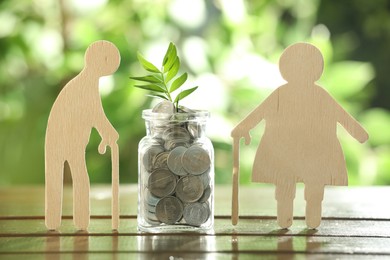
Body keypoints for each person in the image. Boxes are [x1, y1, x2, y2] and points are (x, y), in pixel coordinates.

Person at [231, 43, 368, 229]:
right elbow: (259, 112)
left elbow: (342, 116)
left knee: (312, 188)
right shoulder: (283, 94)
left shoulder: (319, 95)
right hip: (286, 151)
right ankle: (287, 218)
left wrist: (359, 133)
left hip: (312, 152)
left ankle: (310, 218)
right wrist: (242, 128)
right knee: (287, 186)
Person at [45, 41, 120, 230]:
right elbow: (95, 114)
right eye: (107, 60)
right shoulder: (84, 85)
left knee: (72, 177)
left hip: (71, 142)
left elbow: (94, 114)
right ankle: (60, 221)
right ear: (97, 60)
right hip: (63, 141)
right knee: (68, 178)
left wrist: (107, 132)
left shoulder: (86, 83)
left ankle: (74, 222)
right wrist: (108, 131)